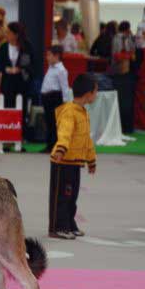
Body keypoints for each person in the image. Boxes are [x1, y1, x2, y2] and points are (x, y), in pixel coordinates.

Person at [48, 74, 97, 240]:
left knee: (71, 196)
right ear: (88, 94)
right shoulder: (69, 112)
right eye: (95, 92)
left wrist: (91, 160)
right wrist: (61, 149)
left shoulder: (83, 112)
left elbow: (86, 139)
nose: (96, 96)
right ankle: (57, 227)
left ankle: (69, 223)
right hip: (62, 162)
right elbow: (65, 133)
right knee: (61, 196)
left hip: (75, 162)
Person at [0, 22, 34, 113]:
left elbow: (30, 64)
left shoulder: (26, 46)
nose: (6, 35)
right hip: (7, 83)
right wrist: (6, 69)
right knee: (7, 109)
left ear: (16, 35)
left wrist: (19, 69)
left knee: (21, 109)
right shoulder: (4, 47)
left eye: (8, 32)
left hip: (22, 83)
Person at [40, 45, 69, 153]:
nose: (47, 57)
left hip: (54, 97)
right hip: (47, 97)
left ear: (57, 56)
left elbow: (64, 87)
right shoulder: (51, 68)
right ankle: (49, 144)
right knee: (49, 122)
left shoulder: (61, 70)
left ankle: (54, 145)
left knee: (54, 123)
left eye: (49, 55)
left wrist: (65, 102)